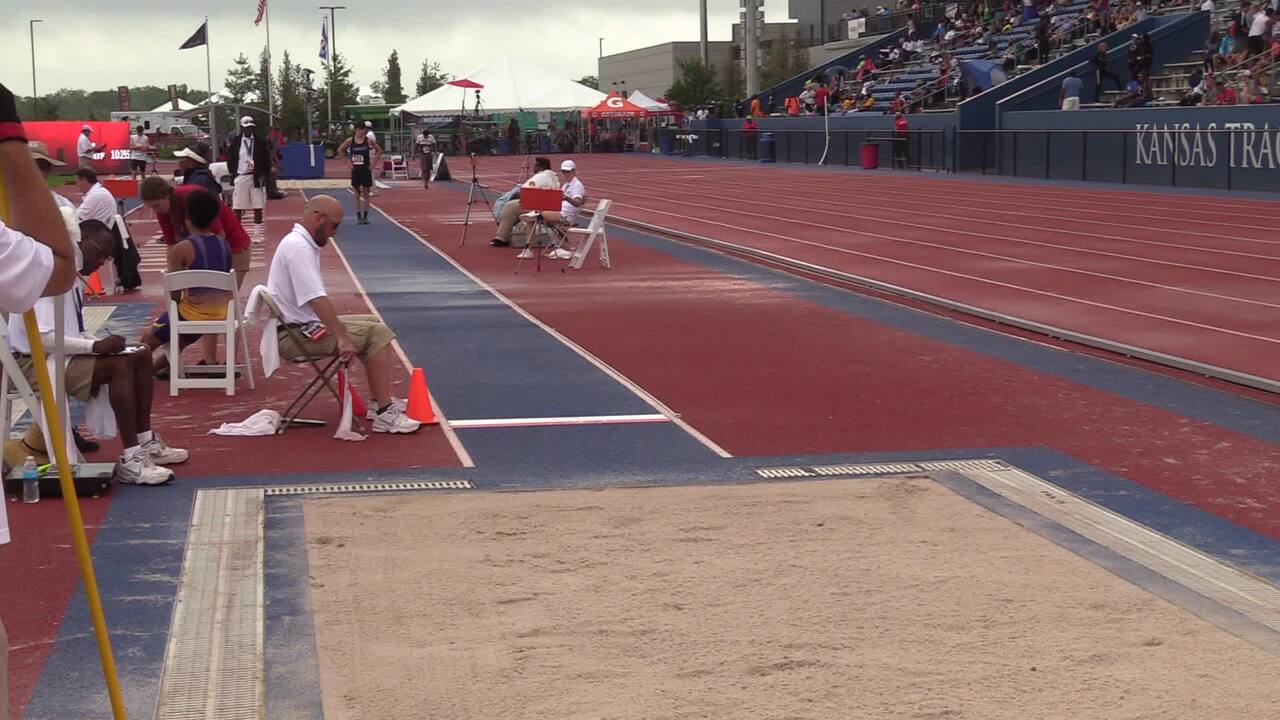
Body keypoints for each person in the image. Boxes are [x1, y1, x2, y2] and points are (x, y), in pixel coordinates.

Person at [8, 219, 186, 485]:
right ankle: (131, 459)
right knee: (118, 367)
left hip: (58, 354)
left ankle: (144, 441)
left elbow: (70, 331)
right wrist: (94, 347)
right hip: (32, 361)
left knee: (138, 353)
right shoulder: (49, 276)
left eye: (108, 256)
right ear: (80, 242)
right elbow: (43, 338)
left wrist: (102, 342)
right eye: (100, 253)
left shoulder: (72, 277)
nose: (103, 261)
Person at [266, 195, 421, 433]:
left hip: (298, 327)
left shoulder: (299, 242)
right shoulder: (298, 247)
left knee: (372, 323)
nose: (335, 233)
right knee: (379, 334)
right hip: (295, 336)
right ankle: (384, 412)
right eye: (334, 226)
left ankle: (376, 402)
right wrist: (342, 337)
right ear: (318, 219)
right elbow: (316, 298)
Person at [138, 189, 232, 374]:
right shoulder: (225, 245)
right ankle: (153, 370)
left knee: (148, 340)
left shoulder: (181, 249)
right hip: (221, 312)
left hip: (192, 313)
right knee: (177, 339)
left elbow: (173, 293)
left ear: (187, 218)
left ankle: (136, 374)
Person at [516, 160, 585, 261]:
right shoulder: (566, 185)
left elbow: (578, 202)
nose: (566, 174)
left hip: (564, 215)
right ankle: (529, 248)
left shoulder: (577, 185)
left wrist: (566, 197)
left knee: (532, 217)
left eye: (568, 172)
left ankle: (528, 249)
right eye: (564, 172)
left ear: (574, 171)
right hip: (558, 211)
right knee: (534, 212)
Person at [490, 157, 562, 247]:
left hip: (540, 208)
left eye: (535, 165)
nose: (533, 168)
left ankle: (502, 238)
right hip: (549, 207)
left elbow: (524, 192)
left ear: (541, 166)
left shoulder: (541, 176)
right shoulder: (552, 176)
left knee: (509, 207)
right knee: (513, 204)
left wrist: (512, 198)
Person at [227, 116, 270, 227]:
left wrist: (264, 175)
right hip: (241, 175)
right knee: (237, 207)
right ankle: (237, 232)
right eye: (246, 127)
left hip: (256, 177)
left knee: (258, 206)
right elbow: (230, 158)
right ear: (241, 128)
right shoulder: (236, 141)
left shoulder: (260, 141)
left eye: (251, 127)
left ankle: (257, 234)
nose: (249, 130)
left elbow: (266, 160)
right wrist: (233, 174)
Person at [336, 124, 382, 225]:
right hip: (356, 170)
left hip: (366, 169)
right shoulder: (350, 141)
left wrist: (373, 164)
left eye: (364, 130)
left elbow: (379, 150)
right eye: (360, 130)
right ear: (356, 130)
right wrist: (348, 163)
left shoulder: (368, 141)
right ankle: (358, 217)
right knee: (356, 193)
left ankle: (365, 216)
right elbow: (340, 150)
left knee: (366, 193)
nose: (362, 132)